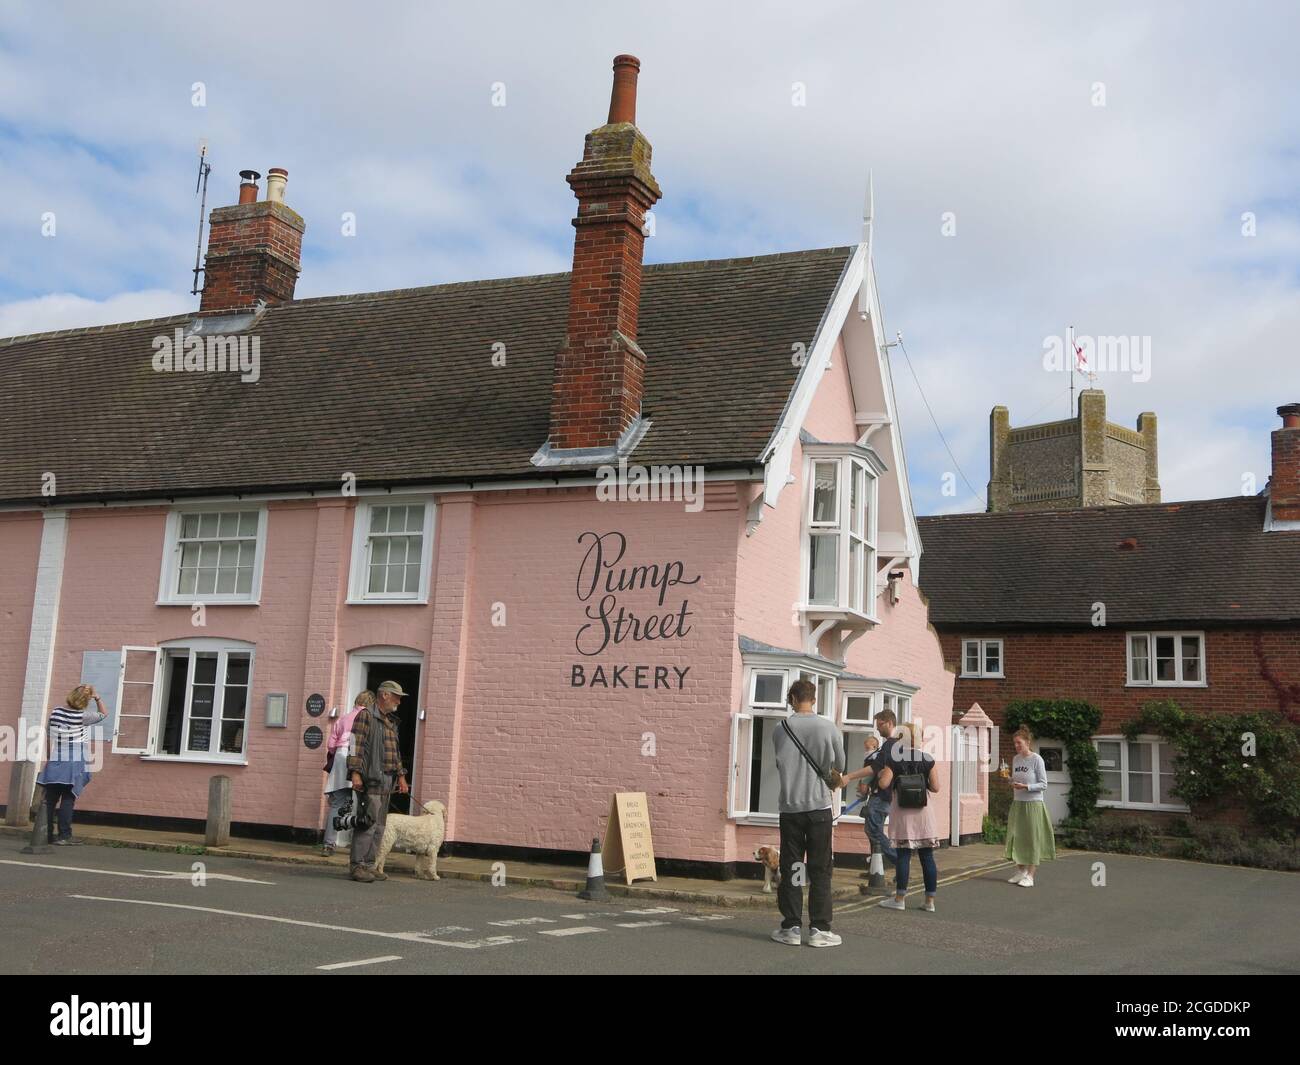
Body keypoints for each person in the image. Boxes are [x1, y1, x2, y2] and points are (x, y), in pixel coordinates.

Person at [769, 679, 845, 948]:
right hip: (819, 809)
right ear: (814, 699)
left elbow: (779, 762)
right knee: (820, 868)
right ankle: (819, 930)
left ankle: (791, 927)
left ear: (792, 698)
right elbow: (840, 763)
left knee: (793, 868)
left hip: (790, 808)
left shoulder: (781, 728)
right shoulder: (827, 726)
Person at [347, 680, 410, 882]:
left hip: (387, 780)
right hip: (371, 779)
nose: (399, 701)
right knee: (367, 823)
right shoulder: (365, 716)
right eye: (397, 697)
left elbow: (395, 753)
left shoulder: (391, 721)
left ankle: (370, 864)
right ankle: (358, 866)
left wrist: (401, 776)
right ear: (385, 695)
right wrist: (355, 773)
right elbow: (355, 747)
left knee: (380, 825)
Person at [874, 722, 941, 912]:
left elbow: (884, 783)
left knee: (903, 856)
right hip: (923, 814)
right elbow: (936, 787)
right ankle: (929, 902)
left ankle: (899, 899)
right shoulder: (928, 759)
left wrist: (881, 775)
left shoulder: (894, 760)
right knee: (927, 857)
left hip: (903, 814)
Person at [36, 685, 108, 845]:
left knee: (51, 799)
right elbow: (104, 714)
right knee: (68, 798)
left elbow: (49, 736)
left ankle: (45, 834)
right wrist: (98, 698)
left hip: (57, 757)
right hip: (75, 759)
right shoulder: (82, 716)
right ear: (85, 700)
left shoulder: (56, 712)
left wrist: (49, 757)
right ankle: (64, 836)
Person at [838, 708, 899, 891]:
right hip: (886, 795)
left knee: (873, 829)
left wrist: (849, 777)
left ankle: (899, 862)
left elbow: (874, 768)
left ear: (889, 723)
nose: (878, 729)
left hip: (882, 796)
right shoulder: (896, 745)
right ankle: (876, 866)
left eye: (880, 725)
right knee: (874, 829)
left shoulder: (890, 745)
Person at [321, 690, 374, 856]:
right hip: (358, 757)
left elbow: (331, 744)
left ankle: (329, 844)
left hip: (339, 756)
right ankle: (357, 843)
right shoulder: (369, 719)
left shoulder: (343, 718)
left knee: (337, 803)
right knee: (363, 802)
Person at [1005, 726, 1056, 886]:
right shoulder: (1016, 759)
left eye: (1019, 743)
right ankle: (1021, 871)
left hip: (1033, 804)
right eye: (1015, 743)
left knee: (1033, 838)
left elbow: (1043, 784)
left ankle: (1030, 876)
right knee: (1016, 836)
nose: (1017, 746)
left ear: (1027, 742)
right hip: (1018, 803)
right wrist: (1010, 781)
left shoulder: (1037, 759)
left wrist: (1026, 787)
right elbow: (1016, 779)